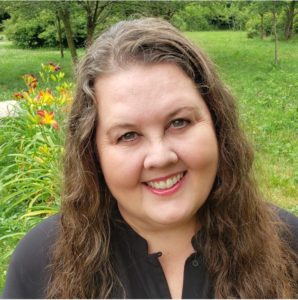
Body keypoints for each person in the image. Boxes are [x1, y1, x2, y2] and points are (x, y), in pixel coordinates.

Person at [3, 18, 298, 299]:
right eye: (128, 135)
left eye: (179, 122)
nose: (160, 157)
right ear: (92, 154)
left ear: (217, 124)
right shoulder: (41, 262)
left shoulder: (288, 243)